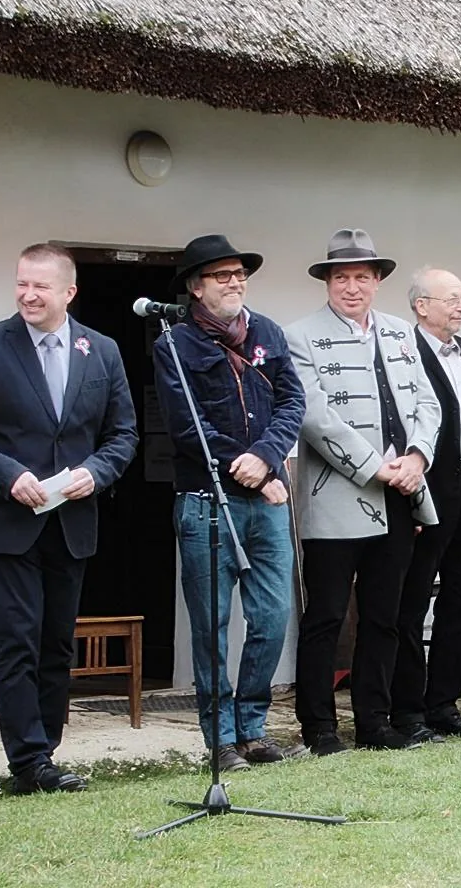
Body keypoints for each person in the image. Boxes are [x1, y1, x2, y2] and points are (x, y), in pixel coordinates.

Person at [0, 243, 137, 793]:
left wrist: (97, 472)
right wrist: (7, 474)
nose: (28, 294)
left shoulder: (102, 351)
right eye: (22, 283)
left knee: (56, 642)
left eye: (41, 286)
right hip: (7, 521)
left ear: (69, 292)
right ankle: (27, 760)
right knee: (15, 639)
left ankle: (46, 749)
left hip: (70, 521)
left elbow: (123, 435)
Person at [152, 234, 306, 773]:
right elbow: (187, 425)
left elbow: (293, 400)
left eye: (240, 274)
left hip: (266, 499)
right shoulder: (174, 343)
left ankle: (254, 728)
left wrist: (265, 458)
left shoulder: (268, 332)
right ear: (195, 287)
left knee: (272, 614)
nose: (236, 282)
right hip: (205, 501)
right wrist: (248, 469)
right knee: (211, 626)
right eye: (222, 275)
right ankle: (219, 737)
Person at [285, 229, 442, 754]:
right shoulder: (299, 335)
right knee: (326, 615)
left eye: (362, 277)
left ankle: (374, 722)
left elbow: (428, 402)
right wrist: (378, 468)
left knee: (386, 614)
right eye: (341, 277)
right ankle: (320, 728)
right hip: (337, 495)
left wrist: (417, 458)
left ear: (378, 282)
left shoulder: (401, 332)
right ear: (327, 282)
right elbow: (315, 419)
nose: (352, 287)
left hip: (400, 494)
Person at [390, 269, 461, 742]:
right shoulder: (404, 352)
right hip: (429, 488)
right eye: (452, 299)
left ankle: (445, 703)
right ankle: (409, 708)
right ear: (421, 305)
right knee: (413, 599)